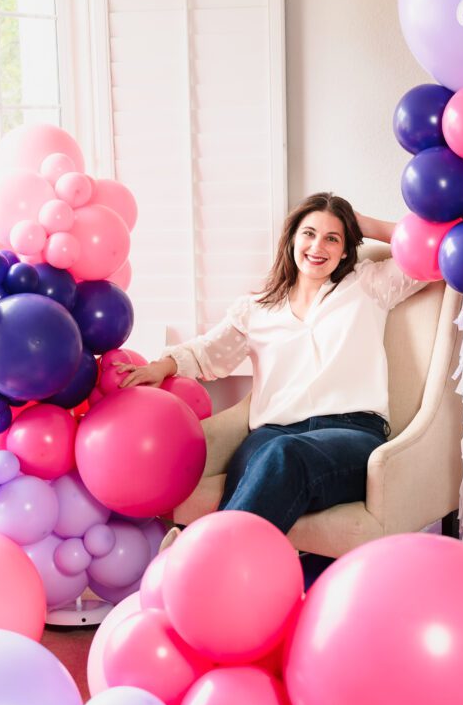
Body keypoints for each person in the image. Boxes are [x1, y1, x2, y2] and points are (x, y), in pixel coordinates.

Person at [116, 192, 427, 537]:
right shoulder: (257, 309)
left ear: (344, 249)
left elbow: (435, 252)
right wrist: (164, 366)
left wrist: (364, 223)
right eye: (308, 233)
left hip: (351, 432)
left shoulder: (368, 285)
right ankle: (213, 563)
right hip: (270, 435)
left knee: (283, 455)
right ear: (292, 238)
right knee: (269, 456)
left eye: (332, 238)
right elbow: (207, 351)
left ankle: (202, 556)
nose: (317, 246)